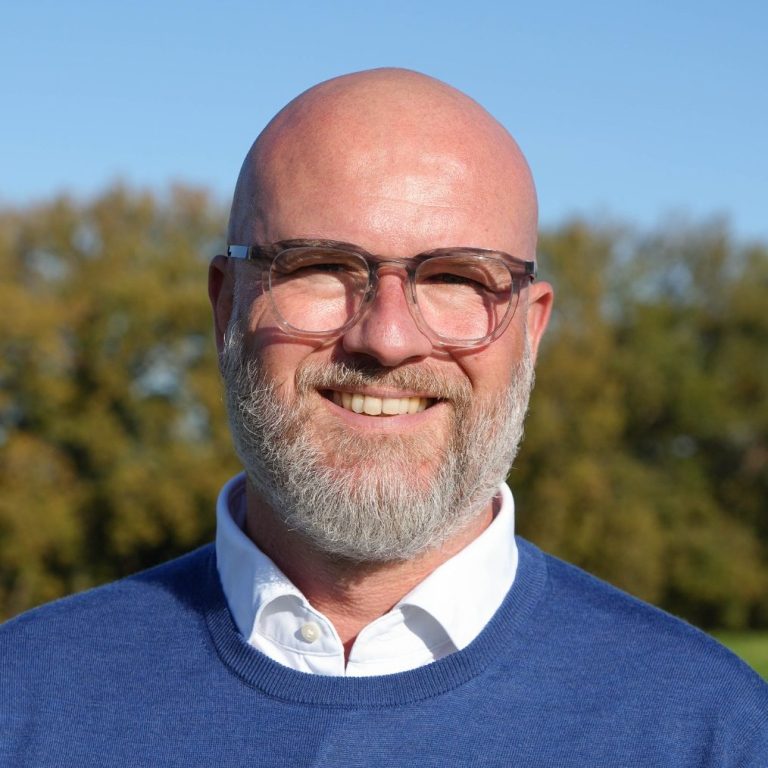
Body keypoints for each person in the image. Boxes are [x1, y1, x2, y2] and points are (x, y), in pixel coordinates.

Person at [1, 68, 766, 766]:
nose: (388, 338)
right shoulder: (24, 702)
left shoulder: (713, 732)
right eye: (321, 267)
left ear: (531, 330)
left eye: (456, 278)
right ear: (227, 305)